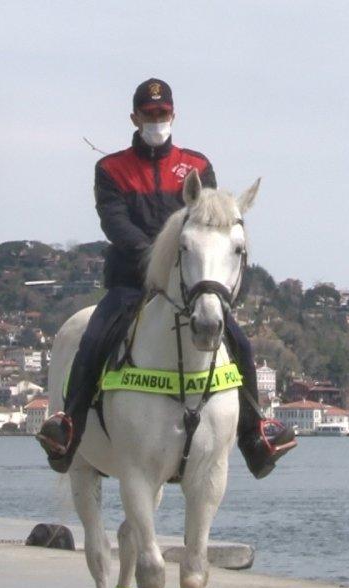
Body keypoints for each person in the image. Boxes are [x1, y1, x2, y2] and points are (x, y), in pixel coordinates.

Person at [36, 78, 296, 478]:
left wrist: (184, 270)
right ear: (135, 117)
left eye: (163, 113)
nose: (157, 120)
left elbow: (211, 224)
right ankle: (70, 425)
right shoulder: (111, 169)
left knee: (239, 342)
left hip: (190, 282)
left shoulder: (197, 166)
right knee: (93, 338)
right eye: (149, 114)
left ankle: (255, 434)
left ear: (173, 114)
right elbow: (115, 223)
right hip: (131, 280)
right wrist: (156, 261)